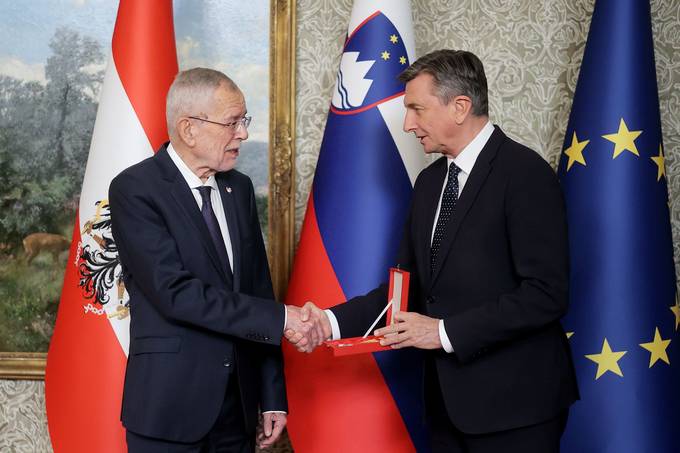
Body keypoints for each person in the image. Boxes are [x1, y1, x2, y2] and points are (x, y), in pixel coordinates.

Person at [290, 50, 579, 453]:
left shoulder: (525, 174)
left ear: (460, 107)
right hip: (445, 407)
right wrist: (328, 322)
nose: (408, 124)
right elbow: (403, 289)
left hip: (516, 409)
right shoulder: (429, 183)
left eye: (416, 109)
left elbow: (546, 294)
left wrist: (442, 332)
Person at [109, 68, 321, 453]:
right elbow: (175, 293)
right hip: (169, 411)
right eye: (233, 122)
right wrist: (285, 319)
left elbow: (258, 289)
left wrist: (272, 394)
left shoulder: (237, 189)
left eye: (244, 121)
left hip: (237, 412)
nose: (243, 133)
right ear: (189, 129)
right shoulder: (135, 189)